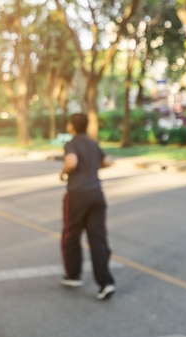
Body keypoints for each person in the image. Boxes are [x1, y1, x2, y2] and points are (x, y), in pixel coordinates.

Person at [59, 113, 116, 300]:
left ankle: (73, 275)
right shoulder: (93, 143)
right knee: (98, 239)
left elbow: (71, 162)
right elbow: (107, 162)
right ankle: (106, 283)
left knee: (71, 235)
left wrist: (63, 173)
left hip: (77, 195)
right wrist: (92, 169)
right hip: (96, 195)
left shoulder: (72, 143)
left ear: (72, 127)